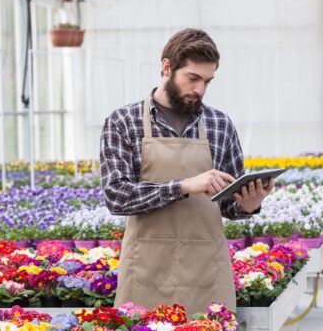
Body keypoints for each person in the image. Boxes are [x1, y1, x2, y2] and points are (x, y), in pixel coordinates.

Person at [99, 28, 274, 314]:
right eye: (193, 78)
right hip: (145, 269)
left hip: (206, 269)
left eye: (207, 81)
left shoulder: (220, 124)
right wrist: (183, 186)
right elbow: (117, 197)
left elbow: (229, 204)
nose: (200, 90)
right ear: (166, 67)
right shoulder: (123, 122)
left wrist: (248, 205)